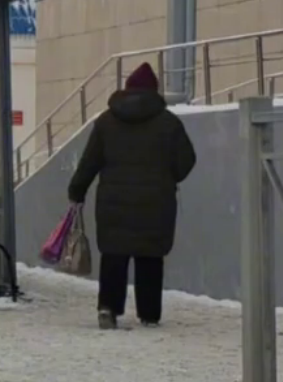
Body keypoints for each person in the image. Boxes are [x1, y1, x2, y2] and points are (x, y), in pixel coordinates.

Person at [66, 62, 197, 330]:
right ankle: (149, 313)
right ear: (154, 91)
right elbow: (187, 160)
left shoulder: (106, 122)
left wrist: (76, 191)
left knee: (114, 255)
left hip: (113, 203)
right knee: (150, 257)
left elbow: (89, 162)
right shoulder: (168, 124)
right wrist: (168, 176)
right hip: (155, 203)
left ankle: (108, 308)